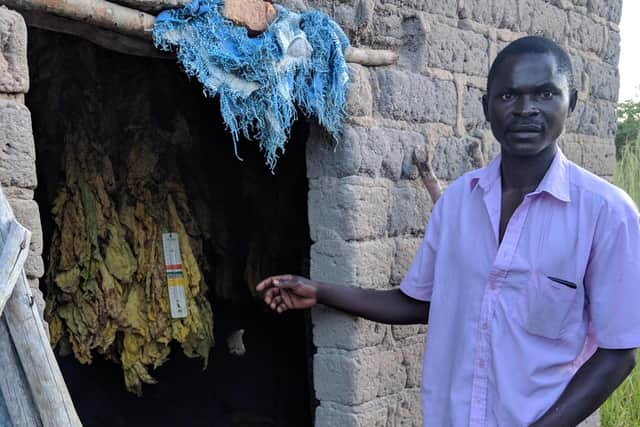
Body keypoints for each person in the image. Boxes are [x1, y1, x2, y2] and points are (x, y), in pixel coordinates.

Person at [256, 36, 640, 426]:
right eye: (508, 96)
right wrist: (320, 291)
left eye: (545, 93)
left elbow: (618, 353)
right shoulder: (458, 202)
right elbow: (423, 302)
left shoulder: (607, 214)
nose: (526, 110)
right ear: (486, 108)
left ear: (570, 102)